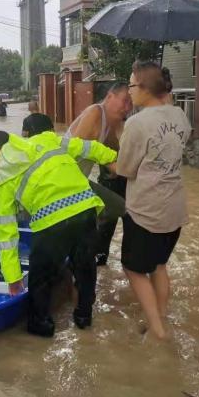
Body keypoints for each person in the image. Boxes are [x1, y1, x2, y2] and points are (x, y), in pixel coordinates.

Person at [0, 128, 117, 337]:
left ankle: (41, 329)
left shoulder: (2, 174)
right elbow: (87, 146)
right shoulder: (45, 139)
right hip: (85, 207)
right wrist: (112, 159)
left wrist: (13, 277)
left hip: (51, 220)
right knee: (85, 267)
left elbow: (6, 232)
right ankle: (84, 319)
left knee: (40, 277)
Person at [117, 62, 191, 340]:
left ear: (146, 88)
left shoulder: (137, 123)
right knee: (159, 265)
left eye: (132, 85)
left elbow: (126, 169)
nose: (130, 92)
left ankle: (158, 331)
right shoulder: (181, 116)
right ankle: (160, 318)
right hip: (174, 209)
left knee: (134, 269)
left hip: (146, 211)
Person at [65, 82, 132, 266]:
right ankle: (83, 256)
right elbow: (74, 151)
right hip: (65, 183)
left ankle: (93, 256)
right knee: (109, 211)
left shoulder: (110, 124)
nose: (127, 107)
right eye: (124, 101)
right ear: (110, 96)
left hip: (78, 183)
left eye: (131, 103)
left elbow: (116, 156)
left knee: (118, 208)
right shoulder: (95, 112)